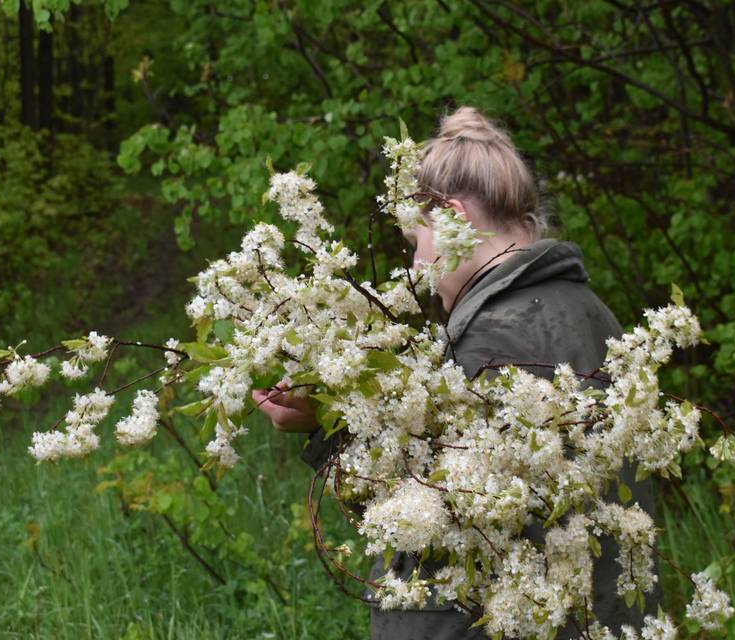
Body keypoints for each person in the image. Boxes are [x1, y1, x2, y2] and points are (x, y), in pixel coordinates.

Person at [252, 107, 660, 639]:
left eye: (415, 244)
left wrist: (330, 428)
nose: (418, 271)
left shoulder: (489, 343)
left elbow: (427, 527)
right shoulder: (595, 316)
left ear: (453, 217)